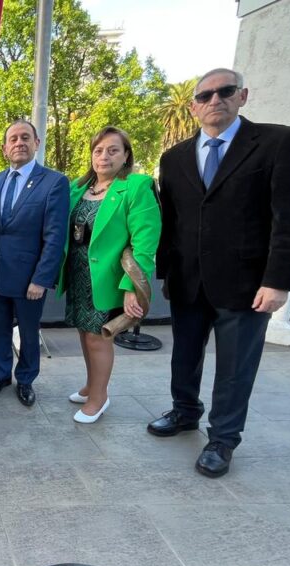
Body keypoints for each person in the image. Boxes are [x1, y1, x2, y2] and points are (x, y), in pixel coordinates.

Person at [151, 68, 290, 477]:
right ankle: (185, 411)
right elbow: (171, 220)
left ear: (242, 95)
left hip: (247, 283)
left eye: (225, 91)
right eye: (204, 96)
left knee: (235, 367)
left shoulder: (278, 142)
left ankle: (222, 439)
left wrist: (278, 281)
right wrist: (166, 273)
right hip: (188, 280)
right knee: (184, 356)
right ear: (194, 107)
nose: (214, 100)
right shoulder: (175, 158)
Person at [59, 126, 161, 423]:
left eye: (113, 150)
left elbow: (144, 242)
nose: (104, 156)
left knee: (98, 338)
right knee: (84, 332)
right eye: (99, 150)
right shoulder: (78, 188)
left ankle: (99, 397)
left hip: (109, 278)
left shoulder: (136, 186)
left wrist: (131, 287)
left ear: (126, 155)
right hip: (78, 275)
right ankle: (92, 385)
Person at [0, 120, 70, 407]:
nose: (19, 143)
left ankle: (26, 380)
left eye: (25, 137)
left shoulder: (54, 182)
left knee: (29, 334)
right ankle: (1, 375)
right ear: (5, 148)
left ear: (36, 143)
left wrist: (41, 279)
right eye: (13, 139)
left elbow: (55, 236)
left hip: (29, 279)